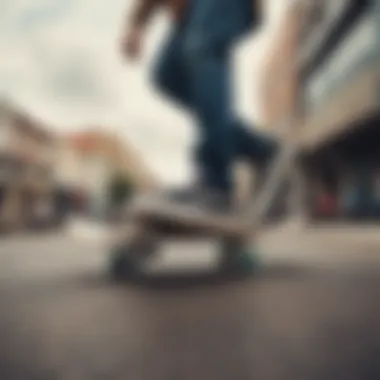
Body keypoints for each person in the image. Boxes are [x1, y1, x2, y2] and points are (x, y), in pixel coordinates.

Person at [121, 0, 277, 218]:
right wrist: (136, 24)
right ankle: (259, 148)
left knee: (203, 43)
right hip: (188, 14)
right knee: (167, 75)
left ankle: (216, 186)